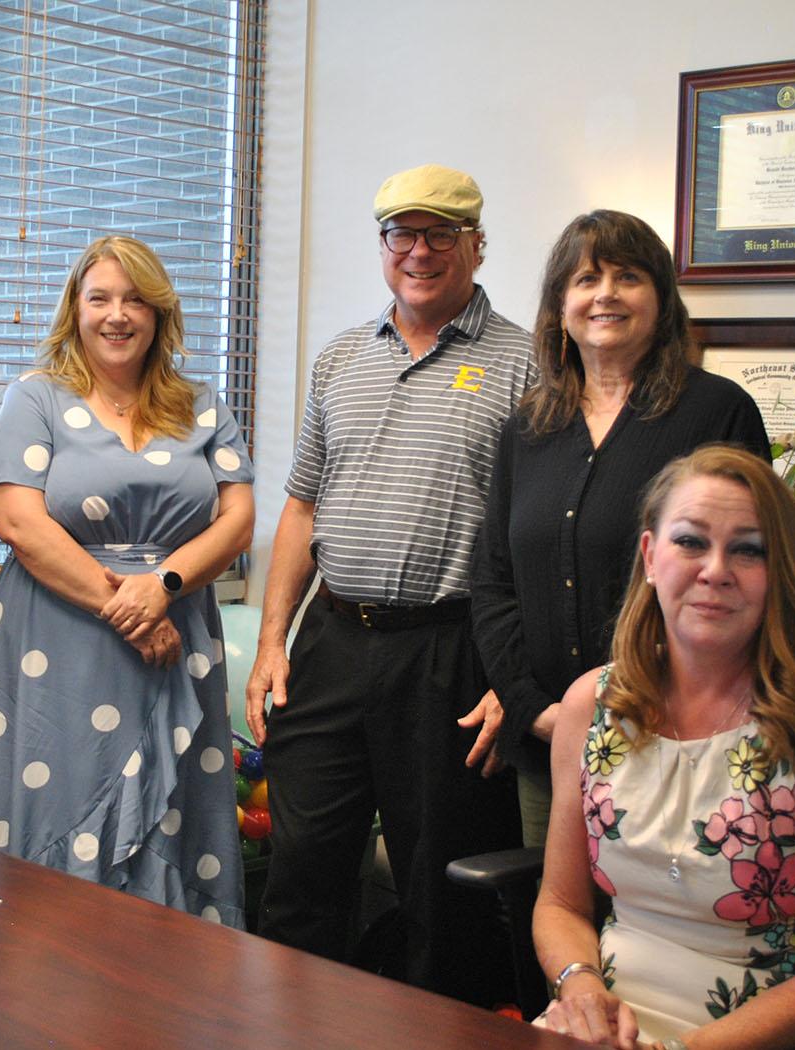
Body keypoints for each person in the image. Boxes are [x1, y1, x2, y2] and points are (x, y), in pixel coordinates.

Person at [245, 163, 533, 1004]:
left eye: (441, 233)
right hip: (332, 643)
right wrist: (271, 641)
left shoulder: (526, 364)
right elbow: (301, 508)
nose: (419, 251)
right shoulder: (341, 358)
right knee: (302, 876)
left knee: (442, 890)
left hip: (451, 654)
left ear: (477, 246)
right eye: (401, 234)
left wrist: (518, 674)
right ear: (382, 246)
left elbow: (540, 533)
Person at [532, 445, 795, 1049]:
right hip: (604, 1029)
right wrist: (581, 986)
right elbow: (561, 903)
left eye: (748, 550)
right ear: (650, 557)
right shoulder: (591, 704)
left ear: (780, 574)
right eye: (691, 542)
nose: (715, 570)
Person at [0, 235, 254, 924]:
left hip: (177, 624)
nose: (116, 315)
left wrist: (163, 588)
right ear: (76, 308)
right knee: (65, 796)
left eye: (135, 300)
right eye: (99, 298)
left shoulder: (200, 402)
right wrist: (130, 610)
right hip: (63, 638)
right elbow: (18, 523)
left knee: (177, 812)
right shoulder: (35, 398)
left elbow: (237, 518)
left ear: (160, 313)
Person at [470, 210, 768, 849]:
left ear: (660, 301)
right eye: (585, 280)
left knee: (669, 930)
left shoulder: (717, 412)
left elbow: (750, 576)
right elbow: (494, 581)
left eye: (627, 277)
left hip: (680, 743)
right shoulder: (528, 427)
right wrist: (536, 710)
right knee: (553, 923)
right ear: (561, 307)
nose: (604, 294)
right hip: (550, 749)